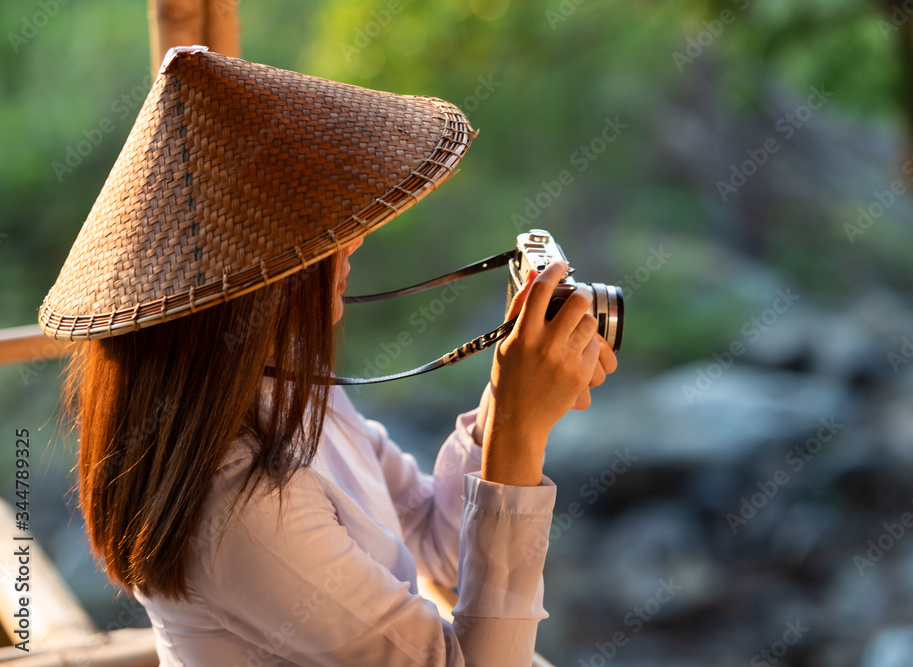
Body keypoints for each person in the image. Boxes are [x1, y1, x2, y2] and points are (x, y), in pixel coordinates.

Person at [41, 48, 617, 666]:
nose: (355, 237)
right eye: (321, 225)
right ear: (252, 282)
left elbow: (436, 542)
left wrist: (507, 402)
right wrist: (519, 440)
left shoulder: (283, 382)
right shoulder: (239, 508)